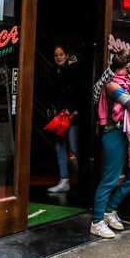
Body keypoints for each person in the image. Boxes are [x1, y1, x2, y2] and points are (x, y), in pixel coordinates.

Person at [90, 48, 130, 239]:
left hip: (129, 135)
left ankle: (109, 209)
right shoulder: (112, 85)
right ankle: (97, 222)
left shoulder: (127, 83)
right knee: (110, 179)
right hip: (114, 134)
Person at [47, 45, 81, 193]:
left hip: (72, 115)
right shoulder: (53, 71)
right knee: (59, 147)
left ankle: (83, 180)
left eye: (61, 54)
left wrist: (72, 110)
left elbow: (78, 92)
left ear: (66, 56)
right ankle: (64, 180)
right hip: (59, 116)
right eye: (56, 55)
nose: (58, 57)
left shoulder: (74, 70)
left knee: (74, 148)